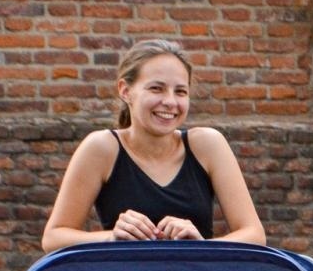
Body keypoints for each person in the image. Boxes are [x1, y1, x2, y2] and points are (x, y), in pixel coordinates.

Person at [40, 38, 265, 250]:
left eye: (180, 91)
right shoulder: (101, 148)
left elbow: (254, 235)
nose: (170, 102)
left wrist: (202, 246)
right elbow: (53, 238)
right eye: (156, 88)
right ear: (125, 91)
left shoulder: (207, 145)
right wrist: (111, 237)